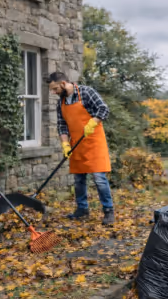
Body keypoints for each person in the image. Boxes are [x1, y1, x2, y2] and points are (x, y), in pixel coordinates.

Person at [47, 71, 115, 225]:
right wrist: (65, 143)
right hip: (76, 143)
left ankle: (108, 211)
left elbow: (103, 109)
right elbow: (62, 125)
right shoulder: (61, 102)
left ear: (63, 84)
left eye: (55, 89)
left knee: (99, 179)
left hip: (94, 142)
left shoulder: (86, 92)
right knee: (79, 179)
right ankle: (82, 209)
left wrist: (93, 122)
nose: (54, 92)